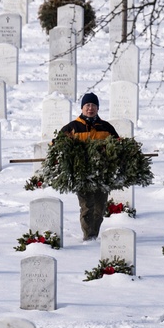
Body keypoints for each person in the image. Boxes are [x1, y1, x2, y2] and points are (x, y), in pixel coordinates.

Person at [59, 92, 119, 241]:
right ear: (82, 108)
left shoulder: (106, 127)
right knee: (87, 206)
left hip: (102, 174)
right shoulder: (72, 127)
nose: (90, 108)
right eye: (87, 105)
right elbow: (57, 145)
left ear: (97, 108)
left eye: (93, 105)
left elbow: (118, 145)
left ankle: (94, 233)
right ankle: (89, 236)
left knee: (100, 207)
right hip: (82, 174)